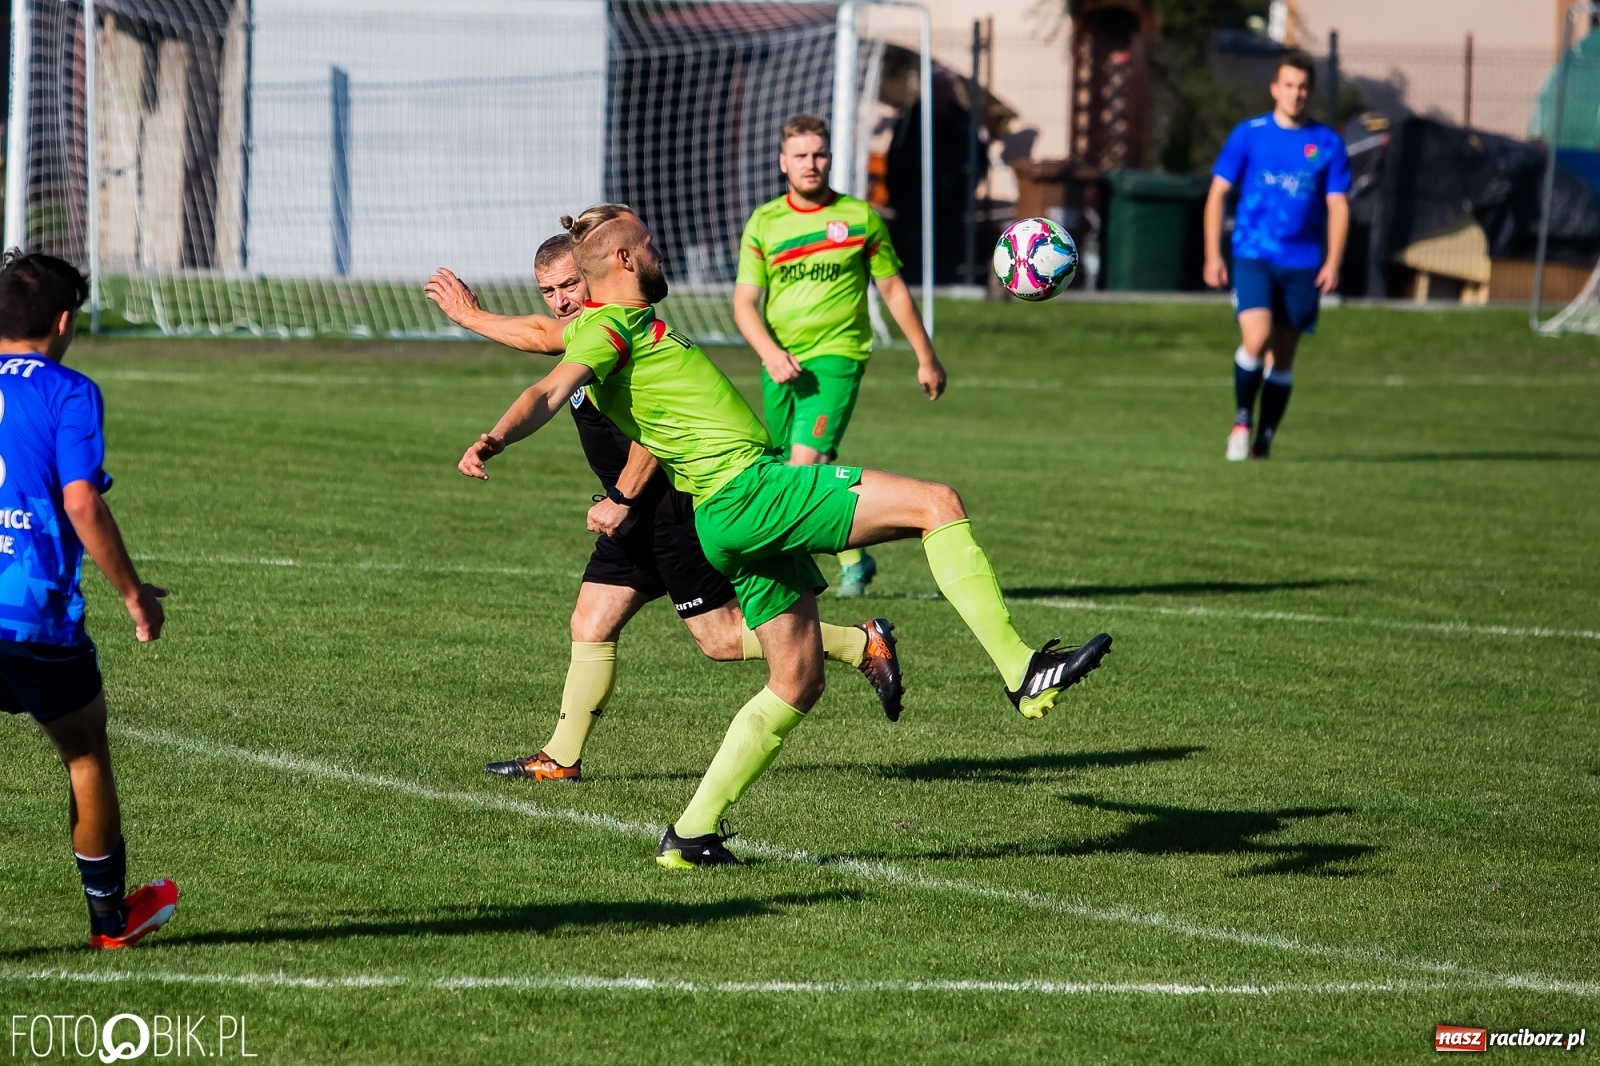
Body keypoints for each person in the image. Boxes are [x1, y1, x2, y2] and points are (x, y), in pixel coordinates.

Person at [455, 205, 1112, 868]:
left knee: (797, 682)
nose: (659, 251)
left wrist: (501, 301)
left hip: (721, 513)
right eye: (648, 245)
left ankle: (691, 834)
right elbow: (549, 389)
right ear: (625, 262)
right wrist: (496, 438)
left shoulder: (612, 321)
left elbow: (554, 342)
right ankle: (1024, 671)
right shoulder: (609, 326)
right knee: (937, 505)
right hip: (749, 491)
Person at [424, 236, 904, 782]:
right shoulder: (584, 333)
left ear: (597, 276)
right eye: (548, 291)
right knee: (590, 621)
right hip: (632, 516)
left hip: (671, 509)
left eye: (568, 286)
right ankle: (561, 758)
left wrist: (621, 497)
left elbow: (660, 432)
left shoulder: (619, 334)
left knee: (721, 639)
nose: (559, 300)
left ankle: (862, 642)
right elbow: (537, 333)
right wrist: (469, 315)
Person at [0, 251, 178, 947]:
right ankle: (109, 920)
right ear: (65, 321)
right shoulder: (68, 391)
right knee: (83, 754)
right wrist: (134, 596)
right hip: (31, 615)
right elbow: (81, 503)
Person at [733, 114, 946, 597]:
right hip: (782, 363)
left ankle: (785, 581)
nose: (812, 164)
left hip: (837, 358)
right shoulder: (765, 223)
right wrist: (769, 352)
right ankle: (854, 556)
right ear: (783, 161)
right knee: (794, 465)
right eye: (802, 155)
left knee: (801, 468)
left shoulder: (858, 218)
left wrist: (925, 356)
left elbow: (892, 290)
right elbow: (744, 303)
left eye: (820, 154)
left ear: (831, 157)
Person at [1203, 49, 1350, 461]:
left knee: (1283, 357)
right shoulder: (1249, 134)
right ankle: (1241, 420)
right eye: (1288, 85)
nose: (1295, 93)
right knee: (1257, 337)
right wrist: (1212, 254)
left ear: (1310, 92)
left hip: (1302, 262)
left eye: (1303, 86)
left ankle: (1264, 442)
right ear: (1274, 88)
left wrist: (1333, 261)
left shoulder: (1326, 143)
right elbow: (1217, 194)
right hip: (1253, 253)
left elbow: (1338, 206)